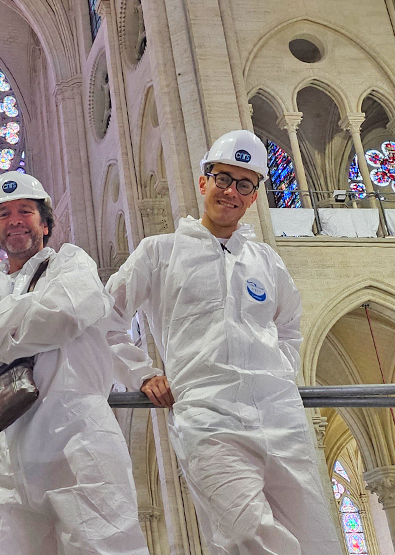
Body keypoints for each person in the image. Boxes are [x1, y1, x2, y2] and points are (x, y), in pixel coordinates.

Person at [106, 130, 344, 554]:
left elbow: (289, 325)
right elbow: (104, 321)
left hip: (280, 417)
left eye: (244, 184)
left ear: (253, 197)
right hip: (208, 416)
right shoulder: (159, 252)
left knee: (318, 539)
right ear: (203, 181)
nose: (231, 191)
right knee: (245, 535)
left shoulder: (265, 260)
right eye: (223, 178)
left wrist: (280, 374)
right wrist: (141, 373)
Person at [0, 171, 154, 555]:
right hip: (11, 448)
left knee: (102, 546)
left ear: (45, 222)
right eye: (4, 215)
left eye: (26, 211)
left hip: (77, 436)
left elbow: (66, 315)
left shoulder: (71, 263)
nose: (16, 221)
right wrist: (24, 314)